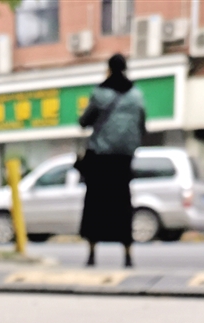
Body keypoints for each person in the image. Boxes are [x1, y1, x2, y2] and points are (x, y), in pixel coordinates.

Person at [78, 53, 147, 268]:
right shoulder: (136, 96)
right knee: (123, 206)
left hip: (100, 160)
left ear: (108, 69)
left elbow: (84, 121)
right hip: (123, 161)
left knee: (95, 207)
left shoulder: (99, 94)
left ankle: (92, 255)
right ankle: (128, 256)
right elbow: (142, 126)